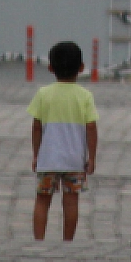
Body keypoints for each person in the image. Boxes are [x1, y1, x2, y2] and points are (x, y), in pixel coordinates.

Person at [27, 41, 99, 240]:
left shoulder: (43, 94)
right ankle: (67, 240)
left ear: (50, 68)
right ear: (82, 68)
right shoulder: (85, 96)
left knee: (42, 199)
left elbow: (36, 126)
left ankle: (39, 239)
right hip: (74, 160)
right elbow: (91, 127)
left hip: (48, 157)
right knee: (71, 200)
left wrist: (36, 154)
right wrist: (91, 157)